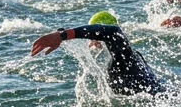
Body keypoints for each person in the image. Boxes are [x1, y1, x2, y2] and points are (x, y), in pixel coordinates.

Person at [28, 11, 163, 95]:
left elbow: (111, 32)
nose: (92, 43)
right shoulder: (128, 55)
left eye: (95, 38)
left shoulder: (123, 57)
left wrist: (63, 35)